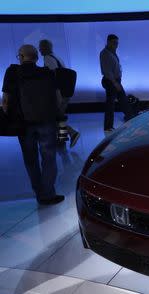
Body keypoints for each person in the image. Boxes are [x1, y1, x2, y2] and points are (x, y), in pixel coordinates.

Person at [2, 44, 64, 205]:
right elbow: (57, 99)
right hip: (46, 121)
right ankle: (49, 193)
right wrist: (58, 117)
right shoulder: (47, 73)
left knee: (30, 160)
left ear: (21, 57)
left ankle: (40, 195)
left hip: (23, 124)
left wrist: (7, 117)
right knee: (49, 158)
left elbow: (6, 101)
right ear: (36, 57)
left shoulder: (12, 72)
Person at [39, 39, 80, 148]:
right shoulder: (56, 56)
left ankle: (72, 133)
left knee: (54, 117)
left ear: (44, 48)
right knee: (59, 116)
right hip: (65, 92)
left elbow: (54, 78)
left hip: (58, 93)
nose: (39, 49)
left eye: (40, 47)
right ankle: (61, 140)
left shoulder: (48, 58)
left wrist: (57, 96)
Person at [100, 34, 134, 133]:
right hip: (111, 81)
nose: (116, 45)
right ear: (108, 42)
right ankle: (108, 126)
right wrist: (115, 83)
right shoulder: (105, 54)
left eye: (117, 43)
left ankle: (130, 118)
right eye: (114, 43)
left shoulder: (112, 52)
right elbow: (107, 71)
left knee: (122, 100)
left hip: (114, 81)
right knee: (111, 104)